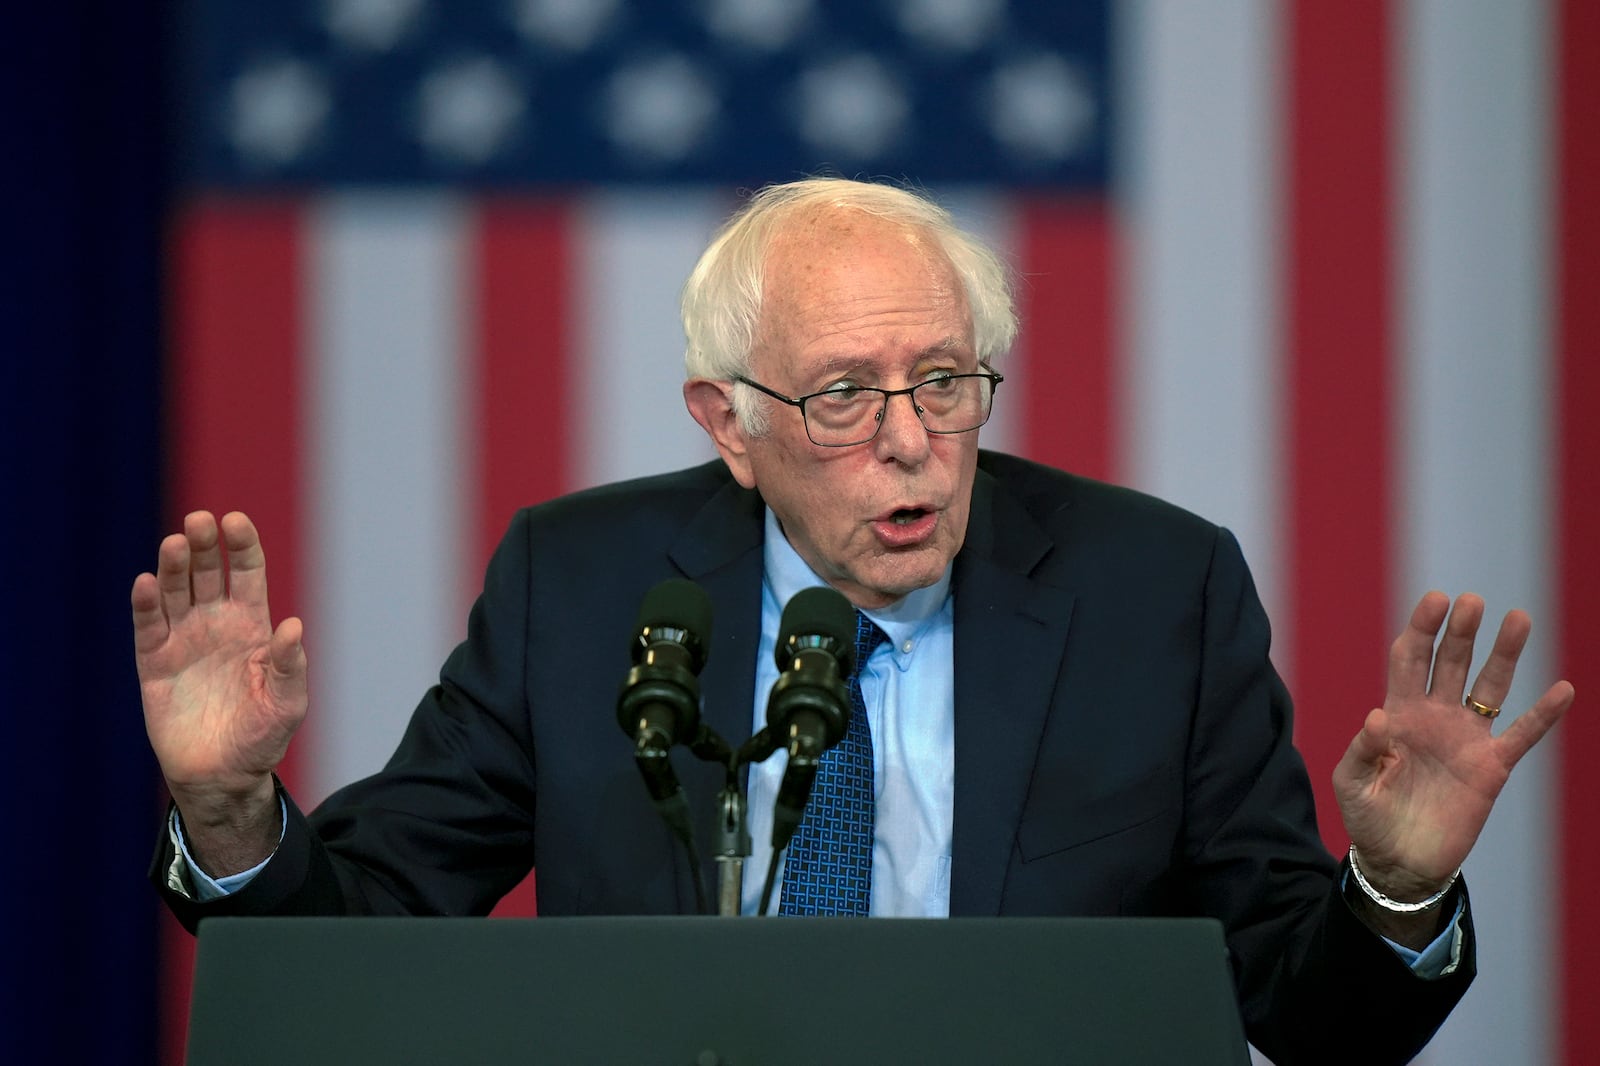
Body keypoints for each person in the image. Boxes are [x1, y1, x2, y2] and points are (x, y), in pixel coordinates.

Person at [134, 178, 1574, 1063]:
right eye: (842, 395)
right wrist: (231, 809)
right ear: (730, 423)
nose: (911, 440)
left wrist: (1389, 890)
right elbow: (364, 945)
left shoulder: (1157, 593)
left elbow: (1306, 1022)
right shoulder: (580, 586)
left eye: (944, 378)